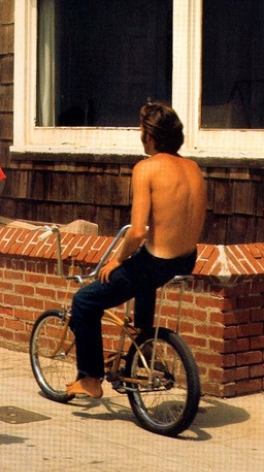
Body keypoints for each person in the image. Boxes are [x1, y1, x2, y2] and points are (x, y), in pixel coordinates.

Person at [66, 103, 207, 399]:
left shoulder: (146, 168)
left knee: (84, 302)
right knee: (144, 275)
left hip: (158, 262)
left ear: (150, 137)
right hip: (186, 259)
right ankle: (144, 342)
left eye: (142, 131)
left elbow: (139, 230)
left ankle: (90, 378)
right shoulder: (192, 167)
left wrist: (116, 259)